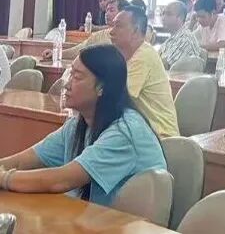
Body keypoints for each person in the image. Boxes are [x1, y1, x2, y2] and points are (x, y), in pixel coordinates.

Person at [0, 45, 166, 206]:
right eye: (70, 74)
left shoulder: (125, 132)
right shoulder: (78, 124)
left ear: (102, 87)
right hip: (92, 217)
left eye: (77, 77)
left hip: (128, 222)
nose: (66, 84)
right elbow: (22, 161)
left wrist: (4, 178)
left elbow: (61, 180)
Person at [110, 6, 180, 137]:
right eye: (112, 26)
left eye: (118, 26)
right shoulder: (124, 55)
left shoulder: (143, 56)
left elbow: (115, 97)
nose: (111, 31)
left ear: (135, 31)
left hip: (161, 137)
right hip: (140, 132)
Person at [158, 1, 205, 70]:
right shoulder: (173, 37)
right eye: (163, 13)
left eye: (168, 14)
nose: (163, 17)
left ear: (180, 18)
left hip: (173, 76)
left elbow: (165, 65)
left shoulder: (185, 39)